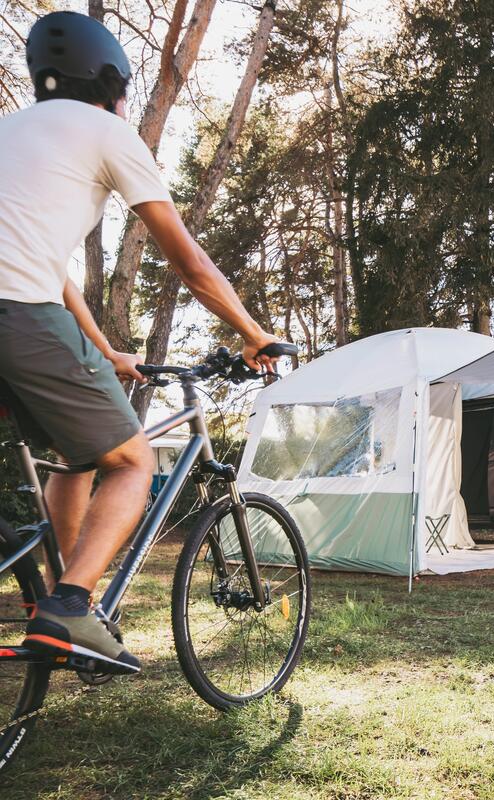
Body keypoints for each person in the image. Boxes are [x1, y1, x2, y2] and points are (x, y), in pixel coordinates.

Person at [0, 11, 280, 673]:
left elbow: (59, 278)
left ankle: (77, 608)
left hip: (24, 311)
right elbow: (191, 266)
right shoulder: (107, 130)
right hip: (15, 313)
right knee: (134, 463)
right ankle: (69, 607)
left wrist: (103, 351)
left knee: (78, 460)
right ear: (110, 83)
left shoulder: (13, 133)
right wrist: (256, 335)